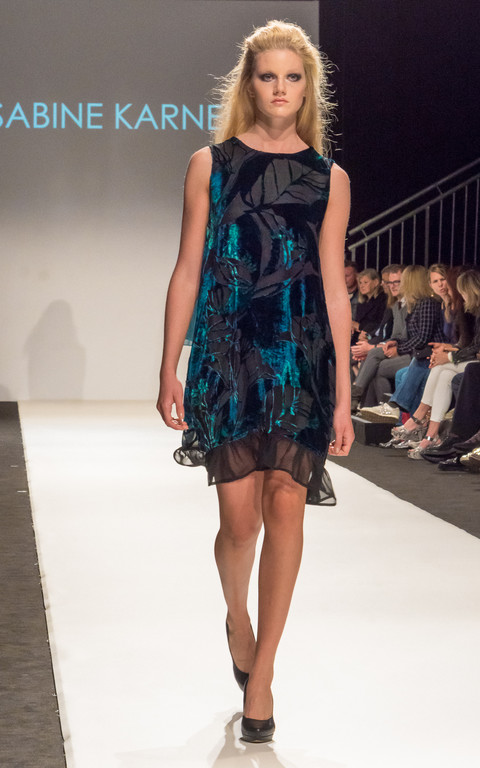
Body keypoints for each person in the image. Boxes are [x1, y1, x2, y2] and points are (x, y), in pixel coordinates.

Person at [156, 20, 353, 744]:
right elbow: (189, 268)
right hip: (229, 351)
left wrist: (343, 393)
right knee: (239, 524)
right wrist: (170, 363)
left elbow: (334, 284)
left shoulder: (330, 178)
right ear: (249, 83)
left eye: (293, 77)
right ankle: (237, 619)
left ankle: (263, 674)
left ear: (308, 89)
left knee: (286, 506)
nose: (280, 88)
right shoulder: (210, 164)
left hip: (301, 355)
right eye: (268, 76)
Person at [397, 269, 480, 458]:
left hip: (473, 362)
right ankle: (431, 434)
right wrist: (449, 352)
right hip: (468, 358)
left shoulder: (468, 310)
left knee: (438, 366)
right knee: (443, 373)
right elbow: (470, 344)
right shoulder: (469, 310)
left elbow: (474, 347)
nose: (461, 295)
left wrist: (449, 356)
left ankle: (418, 419)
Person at [350, 264, 445, 412]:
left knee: (377, 367)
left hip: (419, 354)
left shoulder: (426, 303)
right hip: (411, 351)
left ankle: (373, 406)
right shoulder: (407, 305)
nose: (394, 286)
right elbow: (397, 335)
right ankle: (366, 406)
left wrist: (398, 348)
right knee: (373, 358)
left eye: (400, 281)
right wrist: (393, 342)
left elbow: (422, 338)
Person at [351, 268, 387, 344]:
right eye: (360, 283)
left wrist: (359, 326)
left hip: (373, 339)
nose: (362, 286)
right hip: (358, 338)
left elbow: (380, 323)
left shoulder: (383, 299)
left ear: (376, 282)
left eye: (365, 282)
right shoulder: (362, 301)